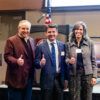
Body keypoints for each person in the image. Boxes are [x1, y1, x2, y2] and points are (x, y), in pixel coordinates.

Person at [34, 24, 69, 100]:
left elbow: (65, 63)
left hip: (60, 81)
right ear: (46, 33)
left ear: (57, 33)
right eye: (49, 32)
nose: (51, 34)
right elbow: (36, 63)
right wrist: (40, 63)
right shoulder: (40, 46)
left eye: (53, 32)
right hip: (46, 81)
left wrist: (66, 79)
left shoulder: (63, 45)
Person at [65, 21, 97, 100]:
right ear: (73, 31)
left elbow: (93, 61)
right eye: (76, 29)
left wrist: (94, 76)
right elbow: (65, 59)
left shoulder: (90, 43)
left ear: (84, 31)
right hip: (74, 76)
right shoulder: (68, 44)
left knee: (87, 97)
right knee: (75, 98)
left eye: (80, 29)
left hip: (87, 75)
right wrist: (69, 61)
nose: (78, 31)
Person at [4, 20, 35, 100]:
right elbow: (7, 56)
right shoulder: (11, 40)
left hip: (29, 79)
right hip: (16, 80)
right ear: (18, 29)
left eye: (27, 29)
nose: (25, 31)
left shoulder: (32, 40)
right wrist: (16, 61)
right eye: (23, 28)